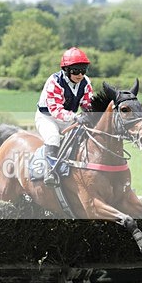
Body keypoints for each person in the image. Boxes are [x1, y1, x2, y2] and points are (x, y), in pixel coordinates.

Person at [35, 47, 94, 186]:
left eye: (83, 70)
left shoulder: (85, 82)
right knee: (53, 137)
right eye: (75, 71)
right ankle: (50, 172)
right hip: (47, 117)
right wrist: (75, 117)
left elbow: (88, 104)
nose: (80, 75)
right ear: (66, 70)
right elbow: (56, 110)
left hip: (69, 118)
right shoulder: (54, 81)